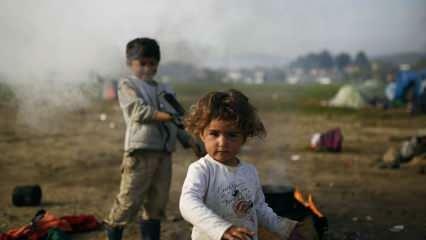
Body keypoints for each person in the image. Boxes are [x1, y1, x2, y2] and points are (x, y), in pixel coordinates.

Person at [180, 89, 316, 240]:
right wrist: (222, 229)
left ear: (244, 138)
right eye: (214, 133)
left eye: (232, 135)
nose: (222, 142)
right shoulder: (202, 170)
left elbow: (258, 208)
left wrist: (285, 228)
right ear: (201, 134)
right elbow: (188, 204)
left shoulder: (249, 172)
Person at [104, 37, 202, 240]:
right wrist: (170, 116)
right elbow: (137, 111)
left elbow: (178, 121)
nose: (148, 68)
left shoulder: (164, 89)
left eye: (152, 63)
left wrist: (191, 141)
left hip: (164, 153)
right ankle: (113, 232)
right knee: (129, 200)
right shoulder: (127, 84)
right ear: (130, 63)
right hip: (141, 151)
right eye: (142, 63)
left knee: (156, 204)